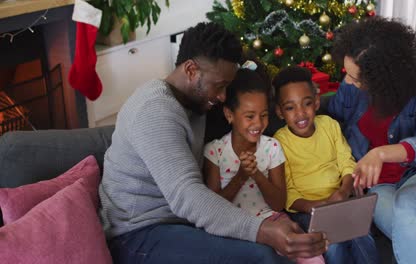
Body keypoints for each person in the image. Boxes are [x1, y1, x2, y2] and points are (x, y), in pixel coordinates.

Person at [98, 22, 327, 264]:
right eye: (219, 86)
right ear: (190, 70)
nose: (222, 96)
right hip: (137, 235)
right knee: (261, 256)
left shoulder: (196, 103)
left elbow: (247, 115)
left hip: (179, 225)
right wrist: (263, 231)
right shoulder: (154, 111)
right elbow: (188, 196)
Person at [328, 17, 416, 264]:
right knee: (406, 222)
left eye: (358, 78)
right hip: (380, 189)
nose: (350, 83)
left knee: (407, 205)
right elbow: (332, 123)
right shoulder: (351, 84)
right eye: (348, 74)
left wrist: (381, 154)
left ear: (383, 75)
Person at [203, 63, 325, 264]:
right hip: (233, 227)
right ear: (229, 114)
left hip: (273, 219)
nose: (258, 124)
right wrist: (241, 176)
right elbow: (213, 208)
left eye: (264, 115)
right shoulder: (214, 151)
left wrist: (257, 175)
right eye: (249, 116)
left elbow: (278, 203)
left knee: (312, 256)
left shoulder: (272, 147)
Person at [272, 66, 378, 264]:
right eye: (290, 108)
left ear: (317, 102)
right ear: (279, 112)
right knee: (332, 244)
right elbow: (289, 194)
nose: (300, 113)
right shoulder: (279, 143)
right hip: (307, 211)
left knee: (362, 236)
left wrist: (344, 190)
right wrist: (316, 207)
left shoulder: (329, 125)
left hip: (341, 201)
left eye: (307, 104)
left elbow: (347, 162)